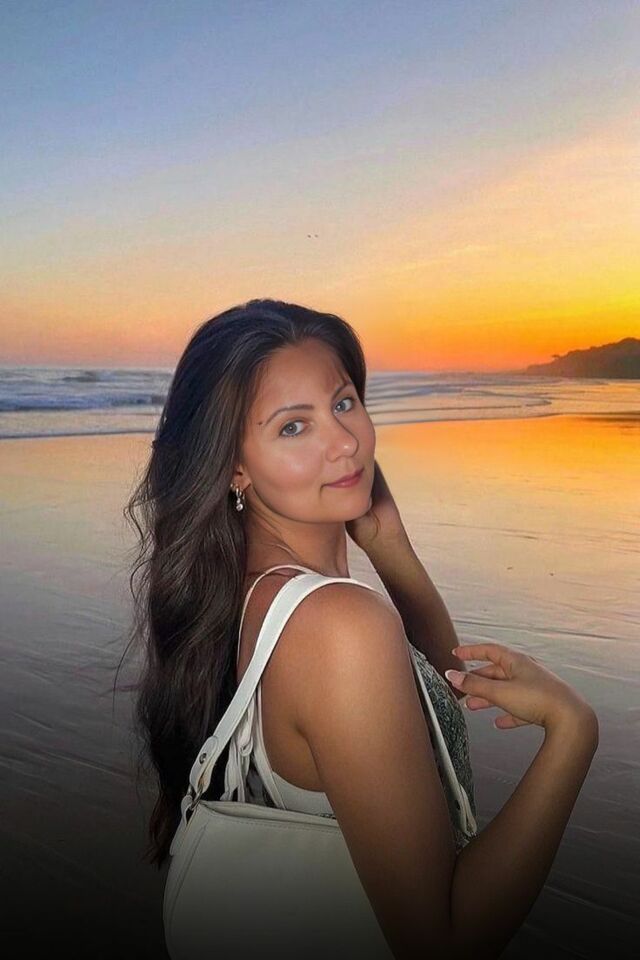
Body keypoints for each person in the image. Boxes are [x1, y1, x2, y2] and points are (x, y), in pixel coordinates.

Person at [124, 298, 599, 959]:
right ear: (234, 465)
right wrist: (573, 732)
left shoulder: (242, 593)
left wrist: (391, 548)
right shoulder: (337, 625)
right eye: (294, 427)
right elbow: (443, 940)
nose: (344, 442)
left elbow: (426, 709)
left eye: (343, 402)